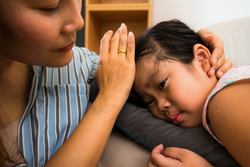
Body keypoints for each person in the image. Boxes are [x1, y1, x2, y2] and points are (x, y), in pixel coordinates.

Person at [0, 0, 232, 166]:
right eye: (49, 7)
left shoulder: (85, 66)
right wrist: (109, 101)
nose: (78, 21)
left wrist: (202, 45)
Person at [133, 19, 250, 167]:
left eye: (162, 84)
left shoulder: (223, 100)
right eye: (149, 101)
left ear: (201, 58)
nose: (161, 106)